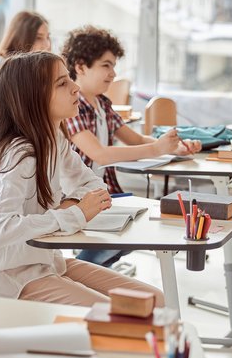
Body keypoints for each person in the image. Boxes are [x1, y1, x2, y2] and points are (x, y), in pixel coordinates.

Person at [0, 51, 164, 307]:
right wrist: (76, 213)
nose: (75, 87)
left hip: (46, 263)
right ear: (33, 97)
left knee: (155, 299)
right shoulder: (19, 155)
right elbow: (0, 231)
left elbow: (94, 185)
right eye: (62, 83)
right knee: (124, 312)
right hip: (14, 279)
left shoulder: (54, 140)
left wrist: (73, 206)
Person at [62, 26, 202, 267]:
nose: (113, 73)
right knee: (125, 236)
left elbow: (135, 140)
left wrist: (172, 147)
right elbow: (100, 154)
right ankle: (83, 272)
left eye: (114, 66)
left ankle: (92, 273)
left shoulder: (102, 104)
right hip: (77, 196)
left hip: (103, 192)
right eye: (106, 65)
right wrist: (157, 149)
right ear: (81, 66)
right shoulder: (72, 106)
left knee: (135, 229)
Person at [0, 10, 51, 144]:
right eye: (39, 38)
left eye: (47, 37)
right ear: (22, 37)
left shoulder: (31, 69)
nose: (46, 44)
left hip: (15, 141)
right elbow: (1, 112)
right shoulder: (0, 64)